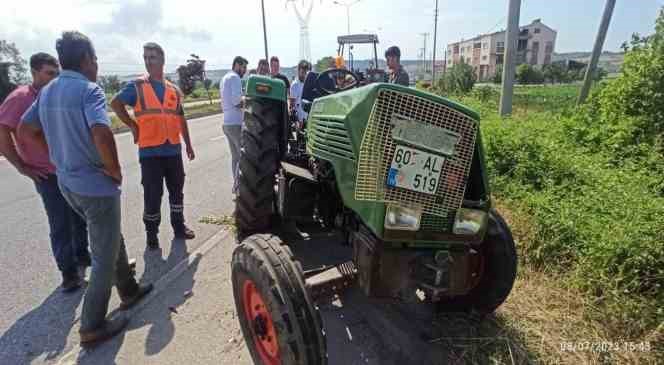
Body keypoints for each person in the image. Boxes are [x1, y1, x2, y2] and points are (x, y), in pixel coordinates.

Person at [19, 31, 152, 346]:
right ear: (87, 60)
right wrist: (114, 170)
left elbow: (25, 129)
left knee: (109, 235)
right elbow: (102, 133)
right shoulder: (89, 90)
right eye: (95, 59)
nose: (96, 64)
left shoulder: (48, 91)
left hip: (67, 183)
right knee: (103, 255)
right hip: (95, 186)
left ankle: (129, 289)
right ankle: (92, 324)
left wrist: (56, 152)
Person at [0, 52, 90, 292]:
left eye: (56, 73)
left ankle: (83, 256)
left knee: (80, 216)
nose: (53, 78)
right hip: (46, 174)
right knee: (60, 221)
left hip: (70, 168)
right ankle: (69, 273)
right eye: (49, 73)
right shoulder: (19, 98)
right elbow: (3, 133)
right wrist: (22, 167)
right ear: (34, 72)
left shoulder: (54, 95)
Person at [110, 42, 196, 250]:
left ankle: (178, 226)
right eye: (145, 58)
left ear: (162, 60)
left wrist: (188, 144)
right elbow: (115, 103)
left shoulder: (173, 90)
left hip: (173, 150)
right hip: (150, 153)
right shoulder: (137, 86)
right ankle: (152, 234)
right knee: (152, 195)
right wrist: (132, 125)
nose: (148, 61)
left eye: (152, 57)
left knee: (177, 192)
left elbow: (180, 118)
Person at [221, 56, 248, 195]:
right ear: (237, 64)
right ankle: (238, 187)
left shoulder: (225, 77)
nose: (244, 70)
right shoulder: (235, 78)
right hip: (235, 123)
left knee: (235, 157)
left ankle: (237, 187)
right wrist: (248, 101)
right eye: (243, 67)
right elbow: (237, 101)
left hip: (226, 122)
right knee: (243, 157)